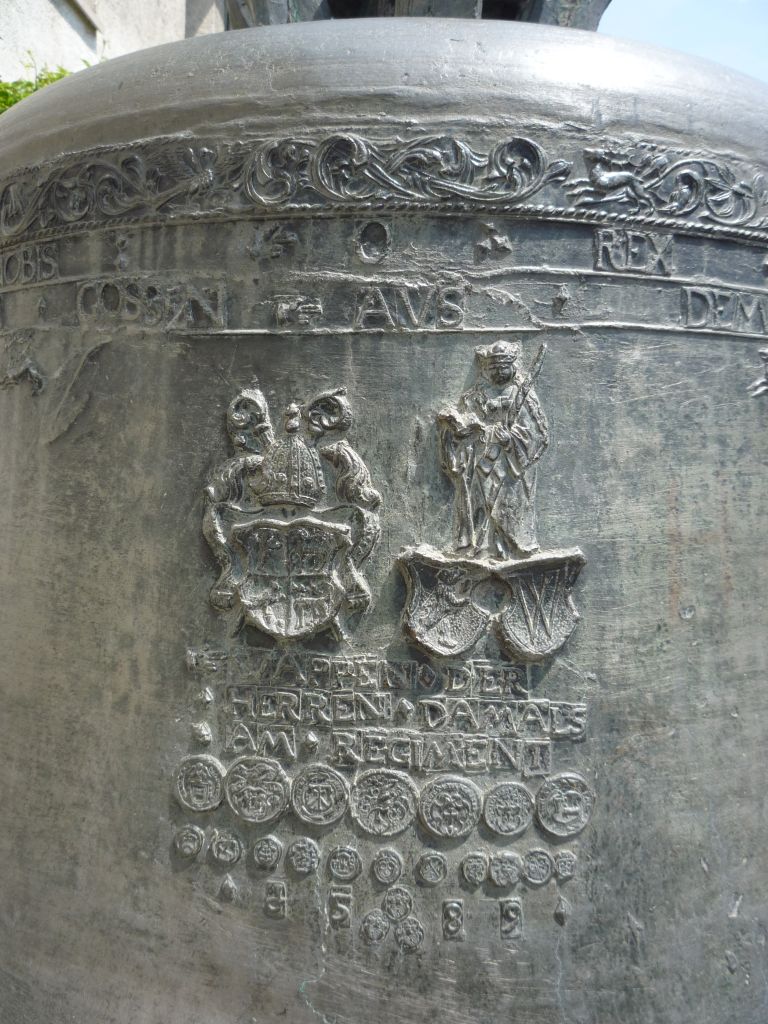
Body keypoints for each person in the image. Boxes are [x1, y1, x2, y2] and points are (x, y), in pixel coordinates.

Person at [438, 340, 549, 559]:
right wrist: (460, 427)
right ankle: (479, 546)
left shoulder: (523, 395)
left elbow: (537, 434)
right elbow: (467, 421)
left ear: (512, 366)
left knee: (507, 504)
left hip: (510, 466)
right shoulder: (477, 394)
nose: (498, 372)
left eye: (503, 367)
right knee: (480, 502)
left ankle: (507, 546)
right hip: (482, 462)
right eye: (493, 368)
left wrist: (510, 440)